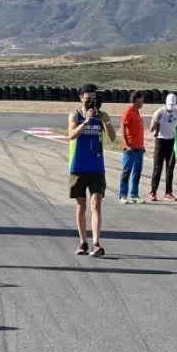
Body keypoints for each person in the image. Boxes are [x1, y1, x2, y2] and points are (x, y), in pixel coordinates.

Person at [68, 84, 116, 257]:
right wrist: (86, 122)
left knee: (96, 203)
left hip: (96, 167)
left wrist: (106, 122)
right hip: (78, 166)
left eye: (94, 99)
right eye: (88, 99)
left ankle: (96, 242)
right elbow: (71, 135)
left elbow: (112, 137)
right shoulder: (75, 115)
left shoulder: (100, 116)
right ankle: (82, 242)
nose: (91, 103)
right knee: (80, 205)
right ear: (81, 98)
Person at [147, 93, 177, 203]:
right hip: (160, 141)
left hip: (172, 142)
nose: (171, 107)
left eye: (172, 104)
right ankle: (153, 192)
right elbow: (151, 129)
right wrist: (156, 121)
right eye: (169, 104)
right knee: (157, 167)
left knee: (170, 167)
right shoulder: (159, 112)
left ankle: (168, 192)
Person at [118, 91, 145, 205]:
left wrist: (142, 146)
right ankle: (123, 195)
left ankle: (134, 195)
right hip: (130, 148)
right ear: (136, 99)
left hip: (139, 147)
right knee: (126, 171)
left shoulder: (137, 112)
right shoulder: (128, 111)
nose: (143, 102)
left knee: (137, 172)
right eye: (142, 99)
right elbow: (123, 128)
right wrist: (126, 144)